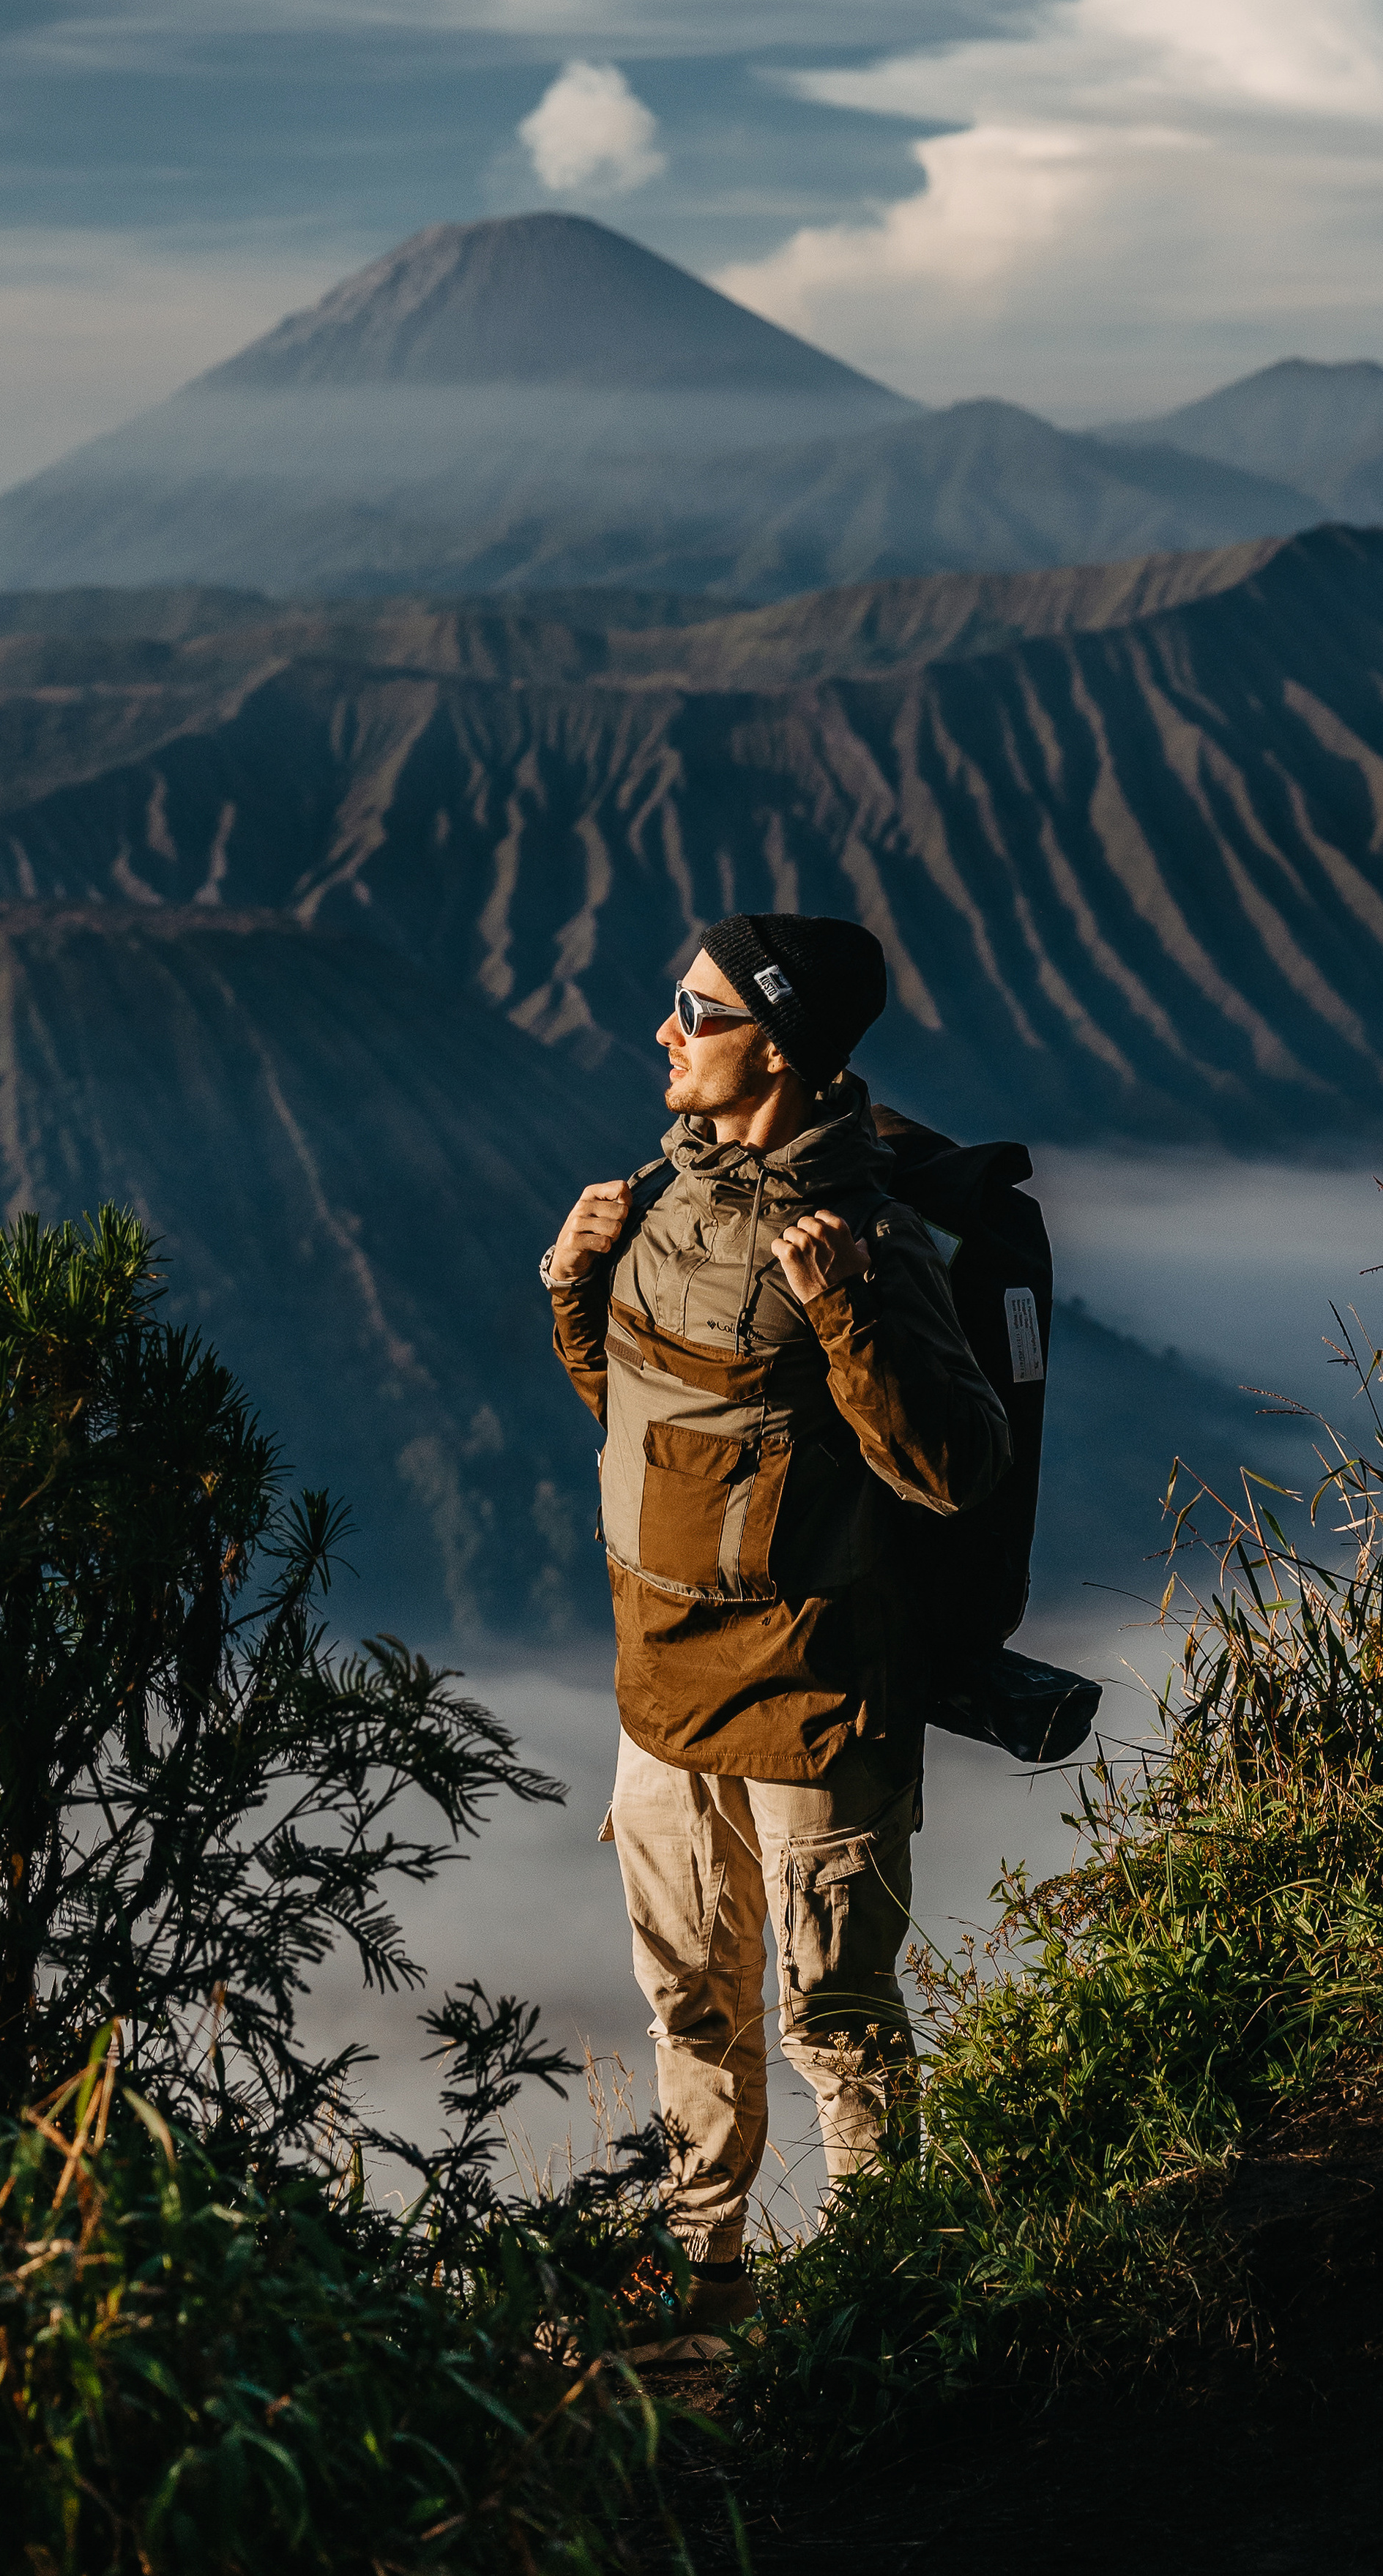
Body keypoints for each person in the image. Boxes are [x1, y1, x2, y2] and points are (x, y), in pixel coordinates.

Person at [543, 912, 1011, 2342]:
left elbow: (949, 1469)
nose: (665, 1035)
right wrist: (575, 1294)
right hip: (662, 1697)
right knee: (689, 2008)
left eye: (697, 1012)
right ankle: (704, 2289)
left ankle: (880, 2301)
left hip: (813, 1700)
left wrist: (852, 1317)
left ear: (784, 1048)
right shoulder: (649, 1203)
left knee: (835, 2025)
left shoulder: (859, 1237)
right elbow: (657, 1437)